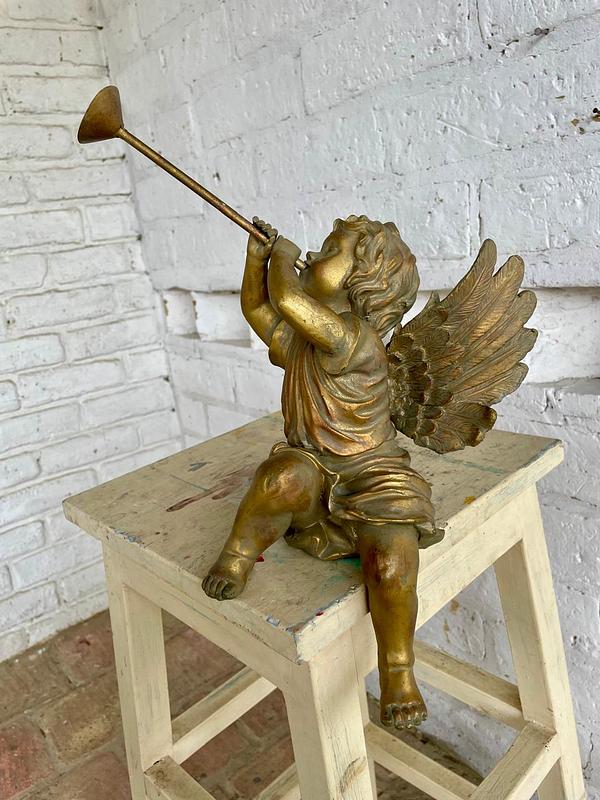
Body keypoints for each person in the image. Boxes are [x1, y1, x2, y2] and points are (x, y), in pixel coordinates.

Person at [203, 215, 443, 729]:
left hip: (372, 474)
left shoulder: (355, 339)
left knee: (392, 565)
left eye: (330, 249)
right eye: (316, 248)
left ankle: (397, 669)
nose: (312, 255)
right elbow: (259, 308)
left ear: (364, 282)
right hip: (314, 465)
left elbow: (287, 299)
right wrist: (255, 261)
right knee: (277, 479)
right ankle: (238, 555)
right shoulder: (303, 341)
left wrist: (282, 257)